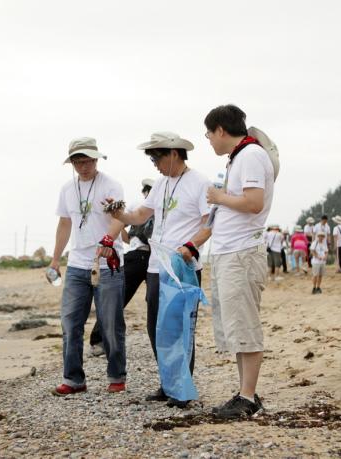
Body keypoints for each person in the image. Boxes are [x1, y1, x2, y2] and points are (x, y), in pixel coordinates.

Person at [107, 132, 211, 407]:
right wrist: (119, 215)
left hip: (182, 265)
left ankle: (182, 389)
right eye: (151, 157)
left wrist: (190, 246)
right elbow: (141, 215)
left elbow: (209, 222)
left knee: (180, 328)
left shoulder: (199, 182)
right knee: (156, 328)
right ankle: (168, 383)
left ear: (174, 153)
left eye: (157, 156)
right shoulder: (161, 184)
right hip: (156, 264)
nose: (154, 163)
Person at [204, 104, 275, 418]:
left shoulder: (250, 155)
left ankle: (248, 397)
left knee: (245, 324)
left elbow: (254, 202)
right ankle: (245, 393)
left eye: (209, 133)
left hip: (242, 252)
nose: (208, 139)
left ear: (221, 129)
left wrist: (220, 197)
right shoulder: (240, 157)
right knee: (236, 327)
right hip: (230, 251)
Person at [50, 137, 127, 395]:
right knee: (70, 323)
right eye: (79, 161)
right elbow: (64, 224)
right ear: (72, 162)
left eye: (89, 161)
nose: (84, 166)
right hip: (76, 265)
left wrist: (108, 240)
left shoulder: (111, 185)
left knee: (110, 324)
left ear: (96, 159)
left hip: (107, 264)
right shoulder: (67, 189)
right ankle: (73, 379)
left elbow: (120, 219)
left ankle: (116, 375)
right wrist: (55, 259)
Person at [88, 178, 155, 357]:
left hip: (136, 254)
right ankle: (159, 341)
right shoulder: (152, 204)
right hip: (151, 256)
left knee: (118, 299)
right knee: (153, 300)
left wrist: (131, 240)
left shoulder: (137, 203)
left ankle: (98, 340)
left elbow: (120, 226)